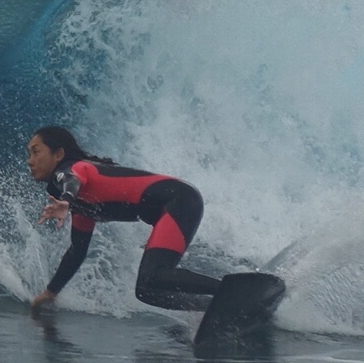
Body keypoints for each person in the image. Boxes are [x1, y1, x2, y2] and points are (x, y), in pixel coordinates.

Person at [27, 125, 221, 312]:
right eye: (29, 154)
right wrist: (50, 293)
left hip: (180, 199)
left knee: (155, 275)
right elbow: (77, 252)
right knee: (146, 291)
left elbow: (69, 179)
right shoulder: (84, 206)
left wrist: (66, 200)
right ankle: (213, 306)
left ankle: (229, 291)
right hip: (176, 205)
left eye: (36, 152)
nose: (30, 161)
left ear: (58, 154)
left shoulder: (73, 169)